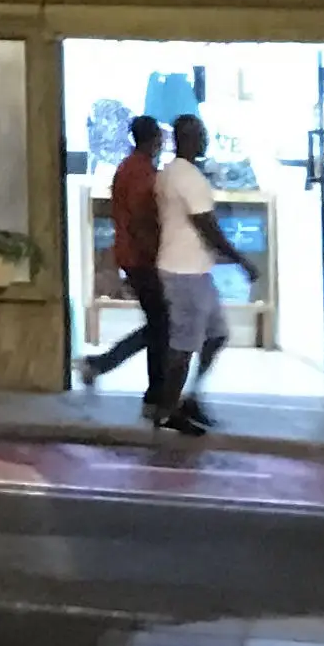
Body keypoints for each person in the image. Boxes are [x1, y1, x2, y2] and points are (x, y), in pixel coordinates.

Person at [152, 111, 254, 436]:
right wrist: (241, 260)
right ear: (188, 139)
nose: (206, 139)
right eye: (201, 134)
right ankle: (168, 411)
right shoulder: (187, 178)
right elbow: (207, 226)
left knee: (216, 334)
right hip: (184, 273)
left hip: (194, 269)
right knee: (183, 345)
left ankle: (189, 396)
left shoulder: (170, 173)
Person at [78, 116, 182, 421]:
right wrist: (155, 252)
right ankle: (149, 390)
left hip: (134, 256)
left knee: (159, 324)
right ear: (154, 140)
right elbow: (140, 218)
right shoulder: (139, 172)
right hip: (141, 258)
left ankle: (110, 369)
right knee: (160, 325)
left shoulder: (131, 167)